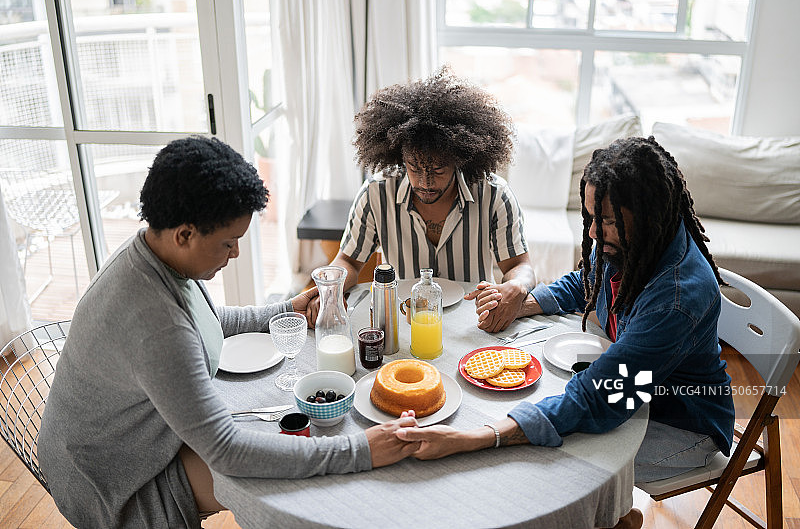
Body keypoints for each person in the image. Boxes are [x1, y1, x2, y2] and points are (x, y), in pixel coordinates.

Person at [38, 136, 420, 529]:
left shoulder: (153, 253)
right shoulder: (154, 322)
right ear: (184, 234)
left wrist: (285, 309)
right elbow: (225, 449)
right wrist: (359, 450)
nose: (235, 253)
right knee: (276, 479)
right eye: (228, 242)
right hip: (113, 482)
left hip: (125, 441)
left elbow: (206, 319)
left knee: (273, 438)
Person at [395, 136, 736, 529]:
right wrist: (522, 303)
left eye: (607, 221)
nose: (593, 233)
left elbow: (599, 397)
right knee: (542, 420)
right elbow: (585, 280)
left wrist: (475, 438)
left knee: (547, 460)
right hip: (636, 394)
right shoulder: (635, 243)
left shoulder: (676, 298)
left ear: (648, 213)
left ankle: (608, 519)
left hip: (681, 425)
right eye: (590, 217)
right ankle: (618, 519)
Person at [312, 68, 535, 332]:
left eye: (439, 170)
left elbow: (519, 265)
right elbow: (348, 261)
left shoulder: (494, 194)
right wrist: (328, 290)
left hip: (473, 323)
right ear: (399, 158)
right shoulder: (376, 193)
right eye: (414, 168)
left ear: (460, 159)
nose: (425, 182)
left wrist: (517, 286)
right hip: (403, 321)